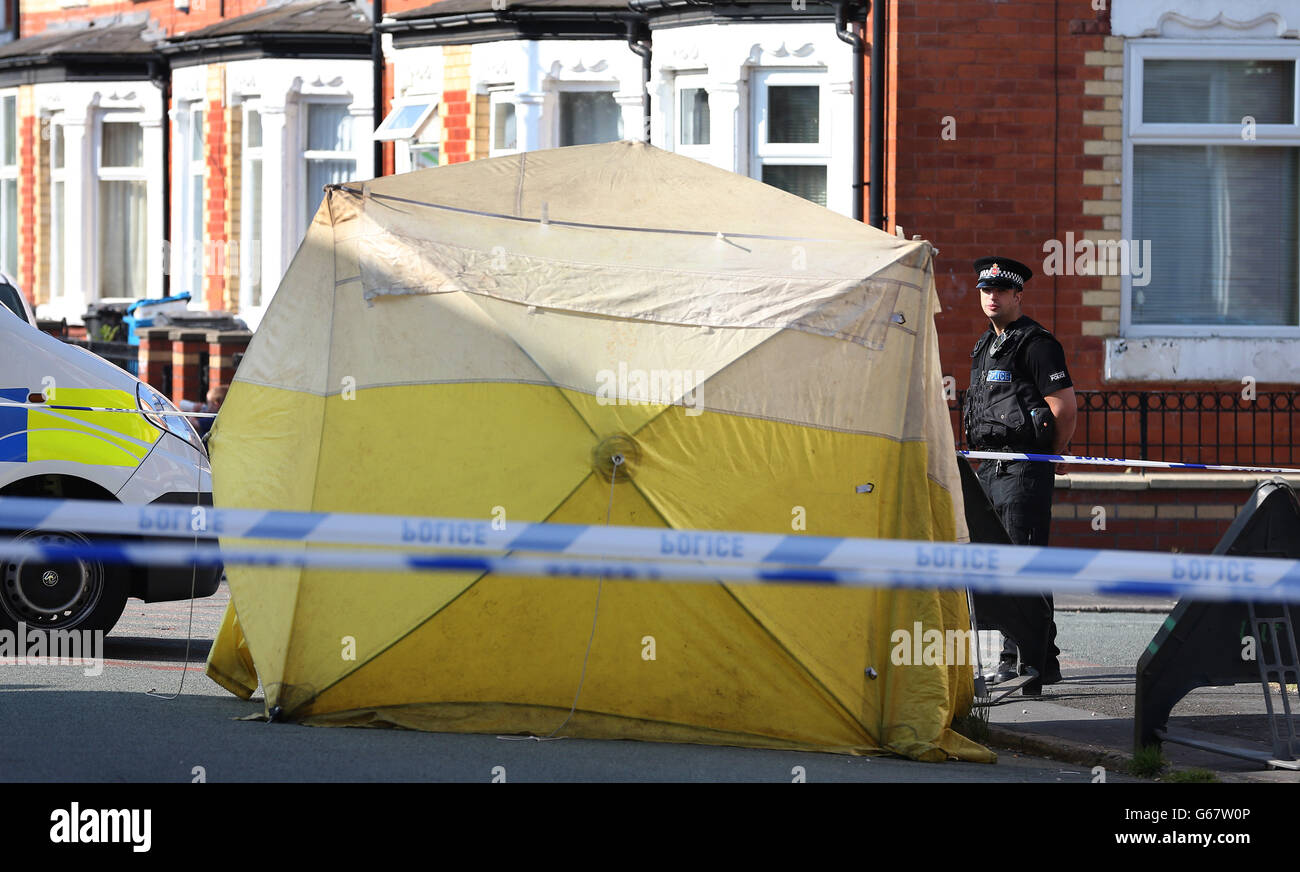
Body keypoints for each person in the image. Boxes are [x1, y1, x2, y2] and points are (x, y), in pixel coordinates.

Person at [962, 256, 1076, 695]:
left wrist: (1054, 452)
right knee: (997, 565)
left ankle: (1033, 662)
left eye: (1000, 290)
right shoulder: (985, 346)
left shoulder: (1036, 343)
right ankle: (1022, 659)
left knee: (1023, 563)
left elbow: (1063, 407)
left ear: (1017, 295)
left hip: (1024, 468)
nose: (992, 297)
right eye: (985, 290)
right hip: (988, 469)